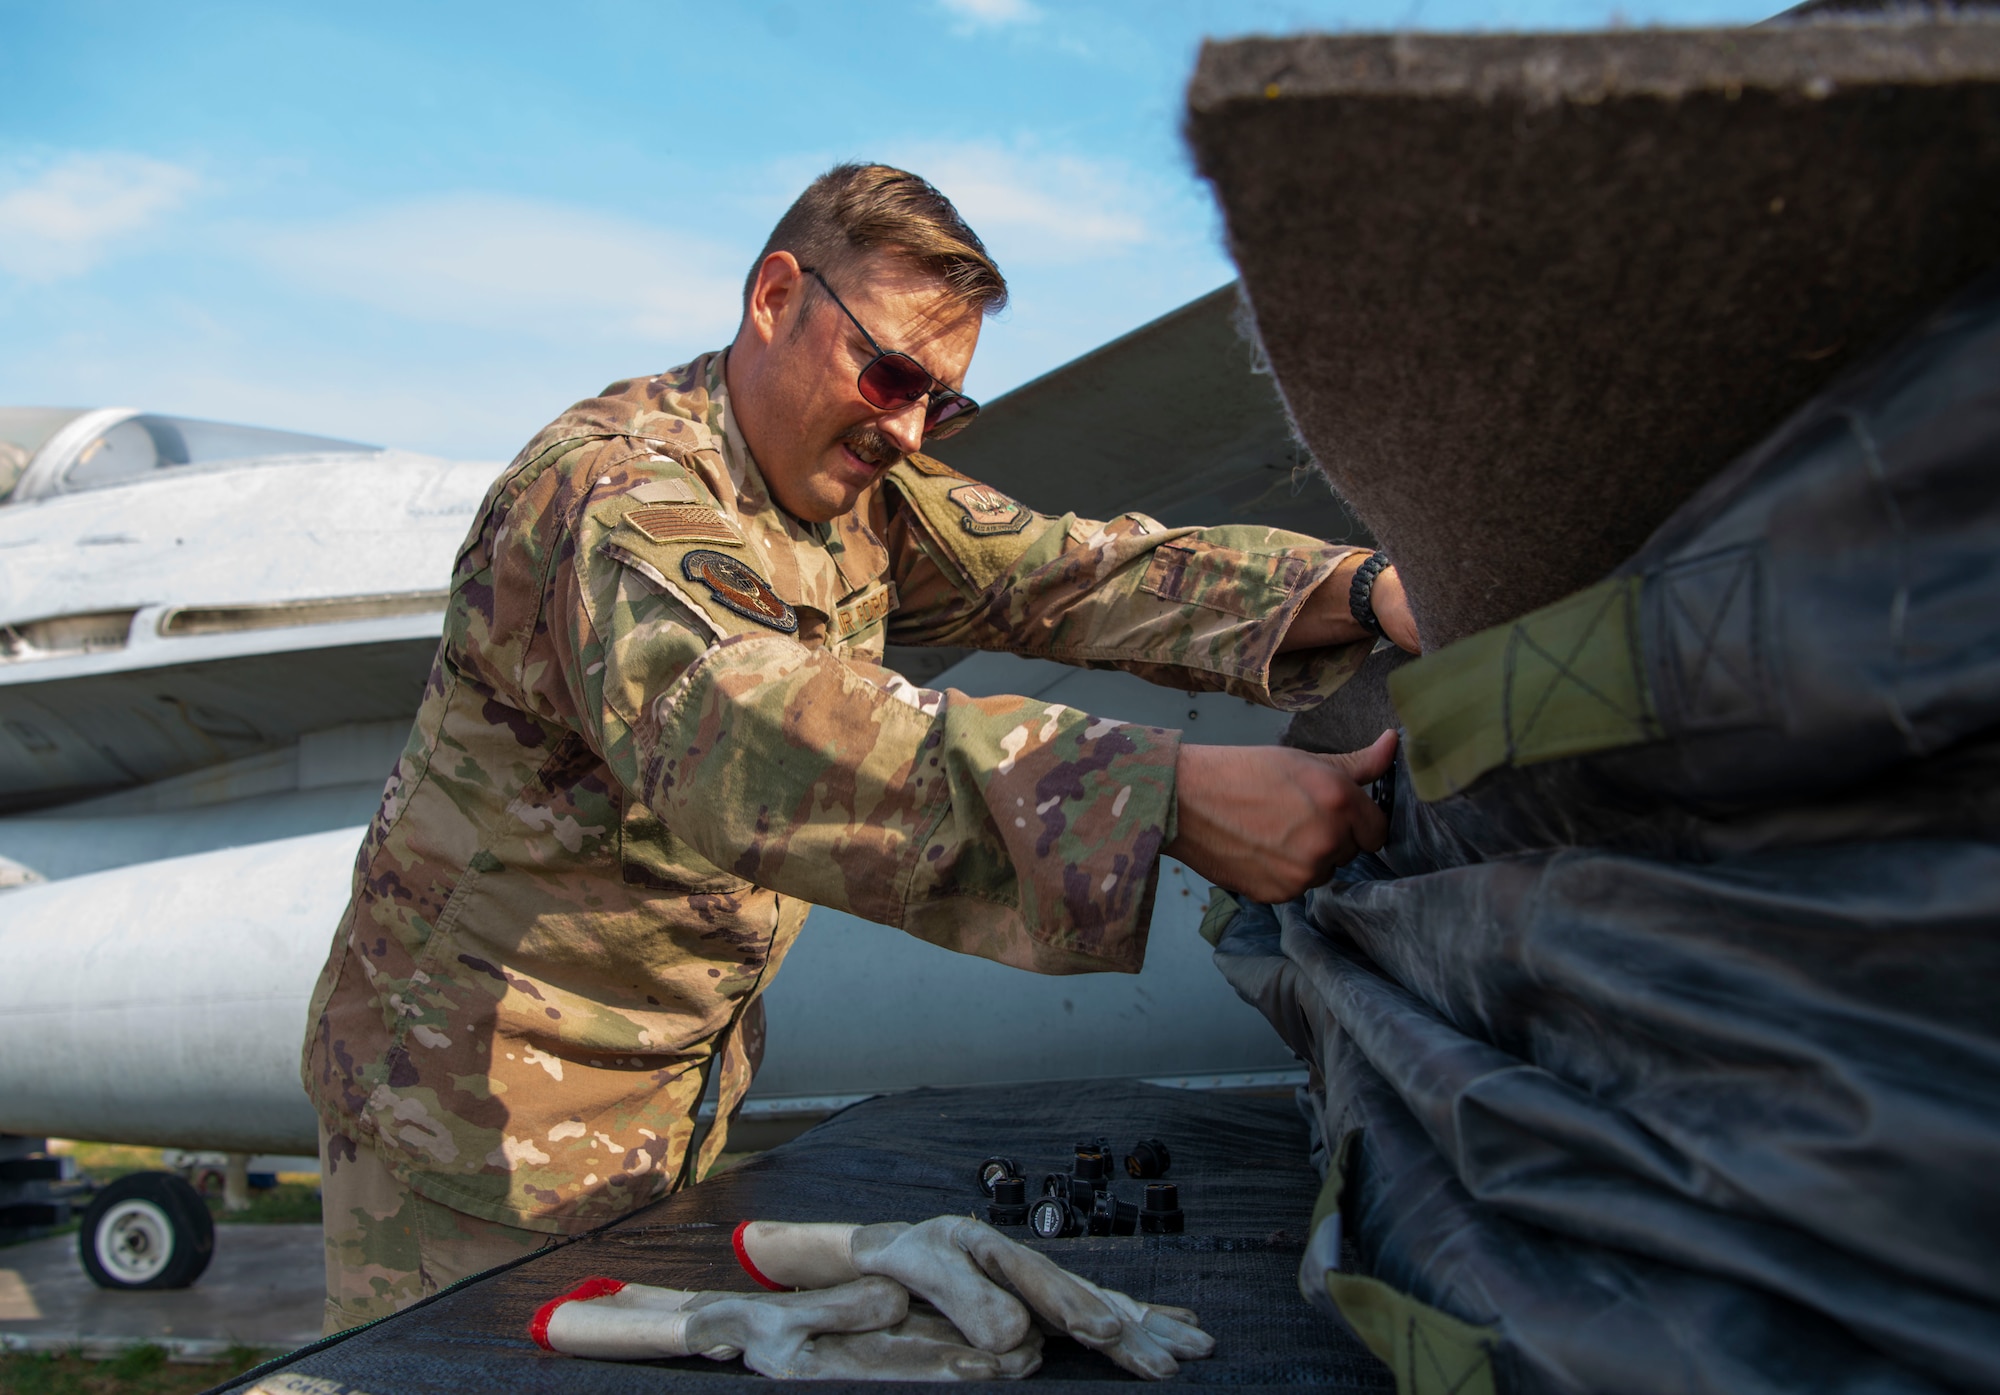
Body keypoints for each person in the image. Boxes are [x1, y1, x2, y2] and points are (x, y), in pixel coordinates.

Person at [302, 163, 1419, 1335]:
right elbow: (737, 728)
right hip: (470, 1127)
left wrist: (1358, 589)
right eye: (886, 374)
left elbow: (1066, 572)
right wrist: (1160, 798)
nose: (902, 430)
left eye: (938, 405)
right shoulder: (615, 494)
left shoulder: (852, 494)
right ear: (775, 297)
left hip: (664, 1101)